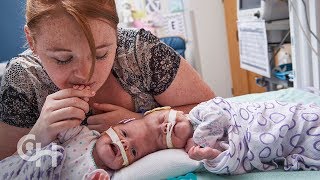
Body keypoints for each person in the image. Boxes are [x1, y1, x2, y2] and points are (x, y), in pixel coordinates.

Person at [0, 0, 214, 159]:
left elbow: (213, 109)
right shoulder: (23, 79)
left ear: (116, 33)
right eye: (63, 59)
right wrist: (39, 134)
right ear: (32, 41)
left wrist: (143, 123)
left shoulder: (140, 51)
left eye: (100, 54)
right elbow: (5, 164)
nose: (85, 74)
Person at [130, 97, 320, 174]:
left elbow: (218, 116)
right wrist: (210, 156)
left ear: (175, 111)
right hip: (279, 146)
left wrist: (197, 140)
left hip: (274, 121)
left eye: (162, 118)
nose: (165, 128)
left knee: (308, 122)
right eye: (161, 137)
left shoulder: (200, 112)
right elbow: (231, 162)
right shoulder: (199, 149)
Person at [1, 104, 164, 180]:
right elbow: (62, 125)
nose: (125, 144)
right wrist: (79, 102)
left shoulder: (103, 175)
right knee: (50, 154)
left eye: (134, 151)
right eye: (124, 133)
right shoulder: (82, 134)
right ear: (110, 127)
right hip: (24, 169)